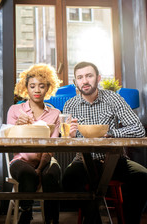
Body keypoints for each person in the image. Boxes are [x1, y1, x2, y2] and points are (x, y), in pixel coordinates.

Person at [62, 61, 147, 224]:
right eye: (80, 77)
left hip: (114, 160)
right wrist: (70, 137)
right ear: (75, 82)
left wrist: (111, 134)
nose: (84, 81)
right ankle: (95, 220)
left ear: (98, 78)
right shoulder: (70, 105)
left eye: (89, 76)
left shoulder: (113, 98)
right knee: (68, 179)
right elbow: (65, 138)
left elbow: (139, 129)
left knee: (142, 177)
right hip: (83, 161)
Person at [7, 64, 61, 224]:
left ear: (48, 88)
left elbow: (51, 146)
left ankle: (52, 219)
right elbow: (8, 142)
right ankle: (26, 212)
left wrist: (39, 168)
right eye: (32, 86)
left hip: (45, 161)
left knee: (52, 174)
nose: (37, 90)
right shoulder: (15, 110)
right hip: (20, 161)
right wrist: (17, 126)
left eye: (41, 86)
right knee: (27, 173)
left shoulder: (55, 114)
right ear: (26, 88)